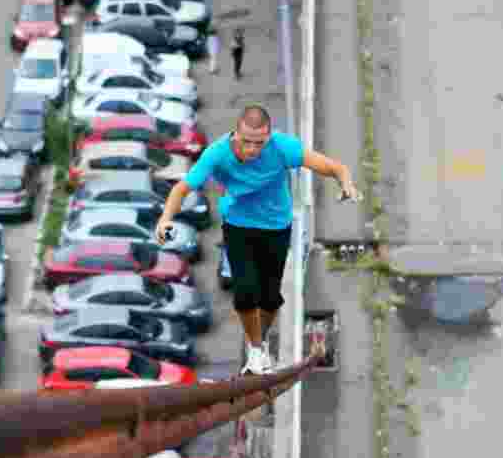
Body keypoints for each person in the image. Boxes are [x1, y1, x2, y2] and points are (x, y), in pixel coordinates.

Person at [155, 105, 361, 375]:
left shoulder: (282, 147)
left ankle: (260, 340)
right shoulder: (217, 154)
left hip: (276, 226)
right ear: (236, 134)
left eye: (259, 143)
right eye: (246, 142)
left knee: (270, 299)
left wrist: (346, 183)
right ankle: (255, 349)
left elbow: (333, 166)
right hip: (239, 226)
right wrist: (165, 218)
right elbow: (182, 188)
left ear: (269, 137)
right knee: (245, 295)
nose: (252, 149)